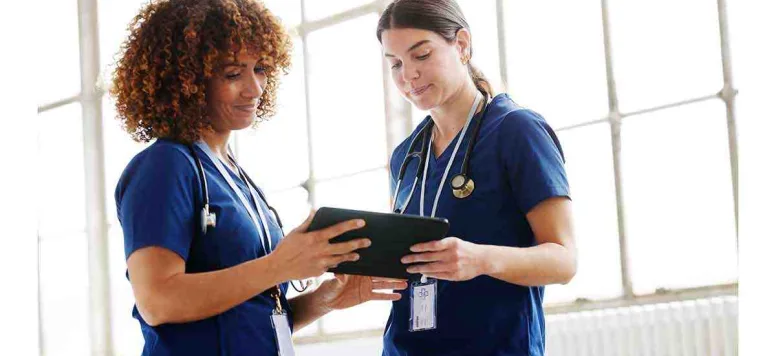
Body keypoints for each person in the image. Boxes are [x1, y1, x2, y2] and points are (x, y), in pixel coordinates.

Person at [111, 0, 406, 355]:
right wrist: (279, 265)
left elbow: (247, 319)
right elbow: (158, 301)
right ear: (186, 80)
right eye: (233, 74)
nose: (254, 89)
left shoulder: (234, 176)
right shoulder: (164, 167)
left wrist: (324, 300)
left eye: (261, 69)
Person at [376, 0, 577, 355]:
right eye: (395, 64)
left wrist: (480, 259)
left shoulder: (516, 130)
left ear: (462, 45)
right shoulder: (404, 158)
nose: (408, 76)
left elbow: (563, 260)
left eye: (421, 55)